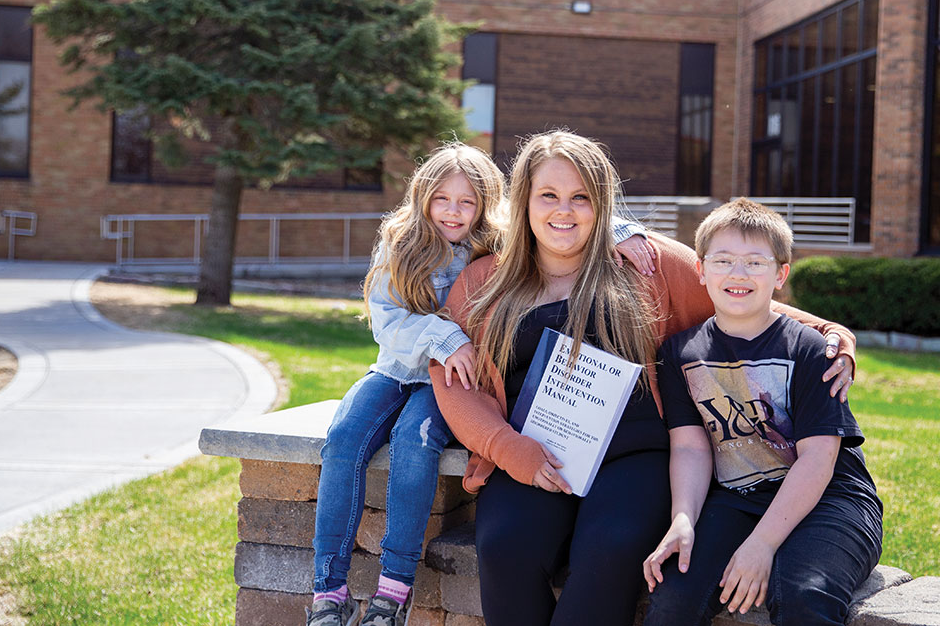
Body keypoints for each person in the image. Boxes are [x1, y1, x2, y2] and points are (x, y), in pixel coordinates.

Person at [430, 130, 857, 626]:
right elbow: (454, 381)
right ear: (523, 200)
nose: (563, 211)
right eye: (548, 195)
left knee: (612, 548)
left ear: (602, 203)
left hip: (637, 456)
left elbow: (736, 296)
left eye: (580, 198)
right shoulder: (485, 280)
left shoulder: (646, 261)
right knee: (505, 548)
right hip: (532, 455)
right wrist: (506, 448)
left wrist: (827, 331)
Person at [307, 142, 657, 626]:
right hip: (397, 367)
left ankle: (393, 590)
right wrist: (446, 337)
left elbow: (559, 215)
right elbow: (386, 321)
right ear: (420, 198)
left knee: (416, 439)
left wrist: (622, 229)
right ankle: (328, 589)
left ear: (487, 204)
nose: (454, 212)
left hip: (454, 383)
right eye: (442, 200)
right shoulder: (401, 241)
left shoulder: (491, 240)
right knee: (343, 438)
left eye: (467, 201)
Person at [642, 198, 883, 626]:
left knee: (801, 593)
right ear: (700, 270)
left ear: (780, 275)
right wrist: (683, 519)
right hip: (738, 498)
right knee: (675, 593)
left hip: (830, 498)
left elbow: (819, 458)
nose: (738, 274)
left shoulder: (810, 349)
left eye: (755, 262)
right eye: (724, 261)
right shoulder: (679, 353)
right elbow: (690, 449)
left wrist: (762, 545)